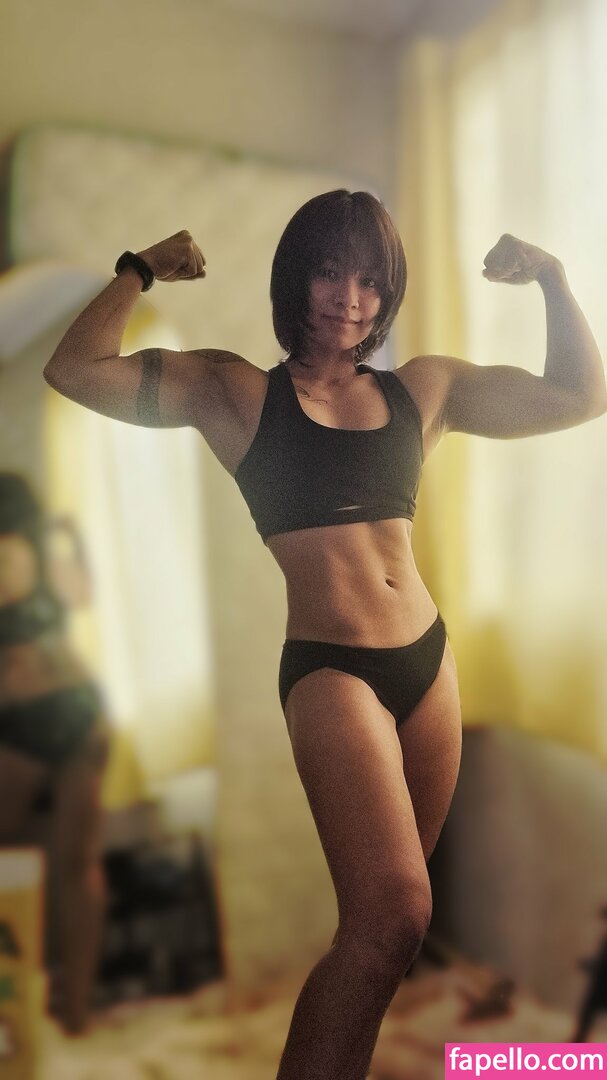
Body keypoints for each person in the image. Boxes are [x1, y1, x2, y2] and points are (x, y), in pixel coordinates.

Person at [43, 190, 606, 1078]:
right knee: (392, 916)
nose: (350, 298)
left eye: (370, 280)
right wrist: (138, 270)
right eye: (330, 273)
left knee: (388, 938)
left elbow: (578, 395)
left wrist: (552, 278)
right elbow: (74, 371)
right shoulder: (233, 392)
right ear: (295, 280)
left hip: (428, 664)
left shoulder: (425, 388)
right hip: (333, 672)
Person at [0, 472, 109, 1035]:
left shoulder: (9, 556)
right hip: (80, 709)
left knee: (23, 862)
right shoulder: (47, 555)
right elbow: (84, 595)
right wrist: (70, 536)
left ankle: (24, 1000)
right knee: (76, 864)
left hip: (29, 716)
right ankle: (76, 1014)